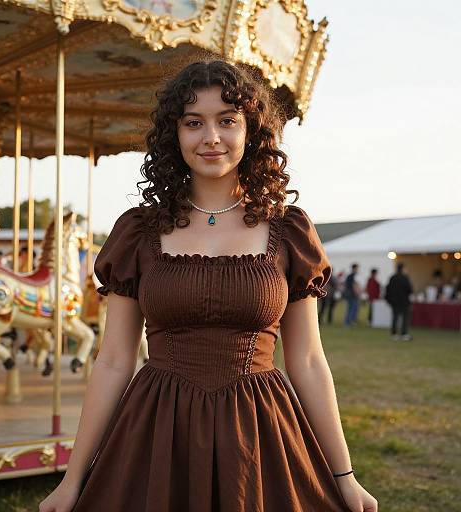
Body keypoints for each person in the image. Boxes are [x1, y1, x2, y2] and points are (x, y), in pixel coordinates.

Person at [39, 60, 377, 512]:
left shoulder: (289, 231)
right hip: (159, 430)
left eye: (227, 121)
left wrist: (345, 476)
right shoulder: (139, 232)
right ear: (174, 135)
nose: (211, 137)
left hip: (259, 432)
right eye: (193, 122)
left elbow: (309, 361)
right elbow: (114, 360)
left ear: (251, 131)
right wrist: (73, 480)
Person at [384, 262, 414, 341]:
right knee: (405, 318)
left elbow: (388, 289)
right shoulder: (405, 278)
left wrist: (389, 299)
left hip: (394, 302)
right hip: (404, 301)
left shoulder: (392, 277)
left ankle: (394, 334)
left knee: (395, 317)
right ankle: (404, 334)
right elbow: (409, 290)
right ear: (403, 268)